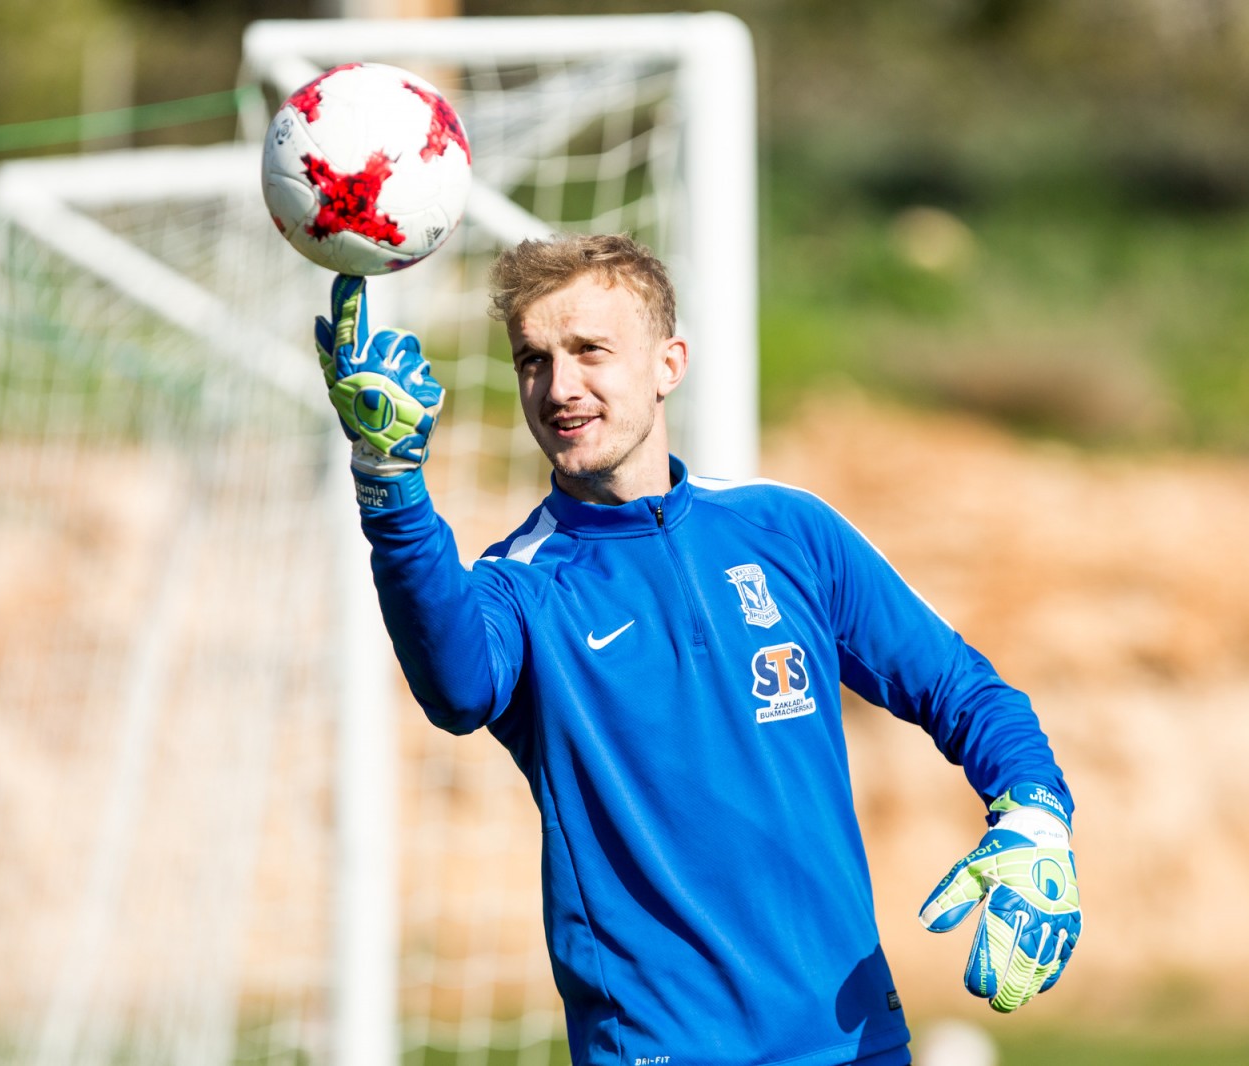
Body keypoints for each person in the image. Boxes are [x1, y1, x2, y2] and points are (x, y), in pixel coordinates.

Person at [313, 234, 1081, 1066]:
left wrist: (1035, 814)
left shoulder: (788, 529)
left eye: (589, 351)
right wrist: (391, 486)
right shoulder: (519, 587)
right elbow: (457, 688)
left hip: (856, 1040)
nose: (559, 387)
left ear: (667, 365)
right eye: (534, 360)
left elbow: (964, 690)